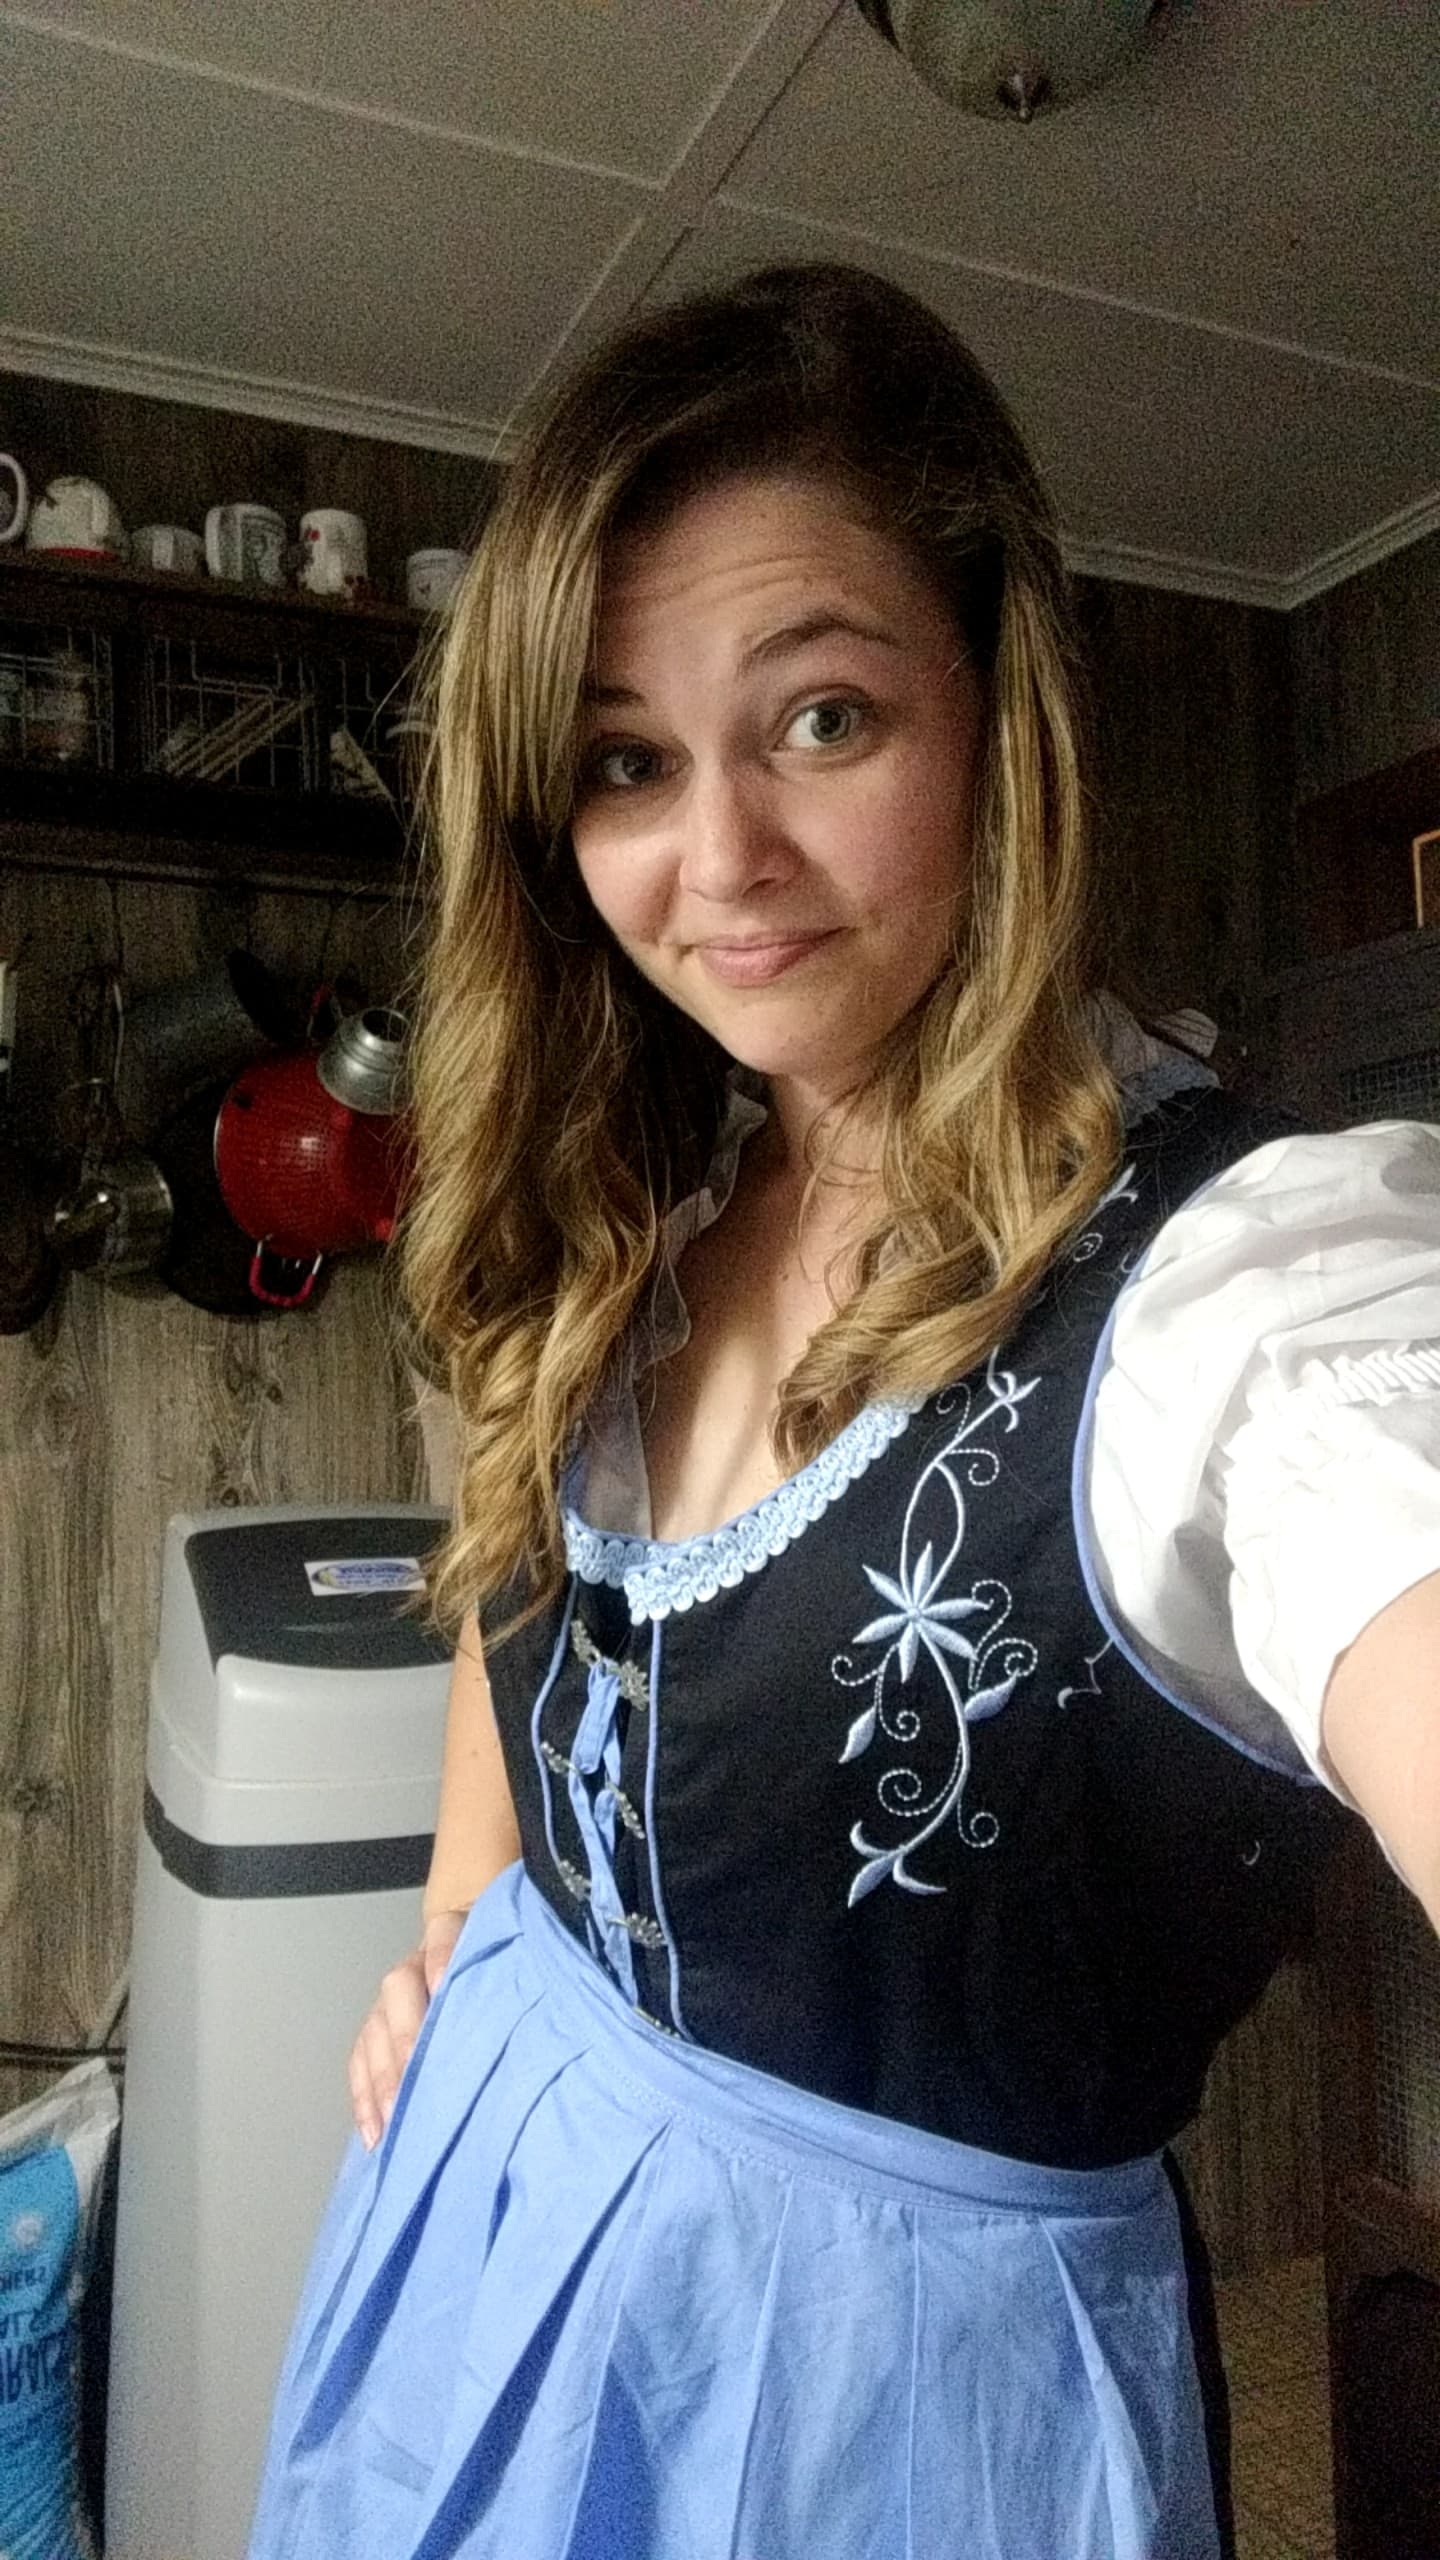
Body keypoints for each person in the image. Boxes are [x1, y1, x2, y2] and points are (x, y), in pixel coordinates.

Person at [248, 263, 1440, 2560]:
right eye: (623, 756)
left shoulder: (1242, 1304)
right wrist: (458, 1921)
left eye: (818, 716)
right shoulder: (638, 1203)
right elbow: (529, 1582)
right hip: (487, 2223)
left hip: (892, 2428)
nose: (717, 860)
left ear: (998, 712)